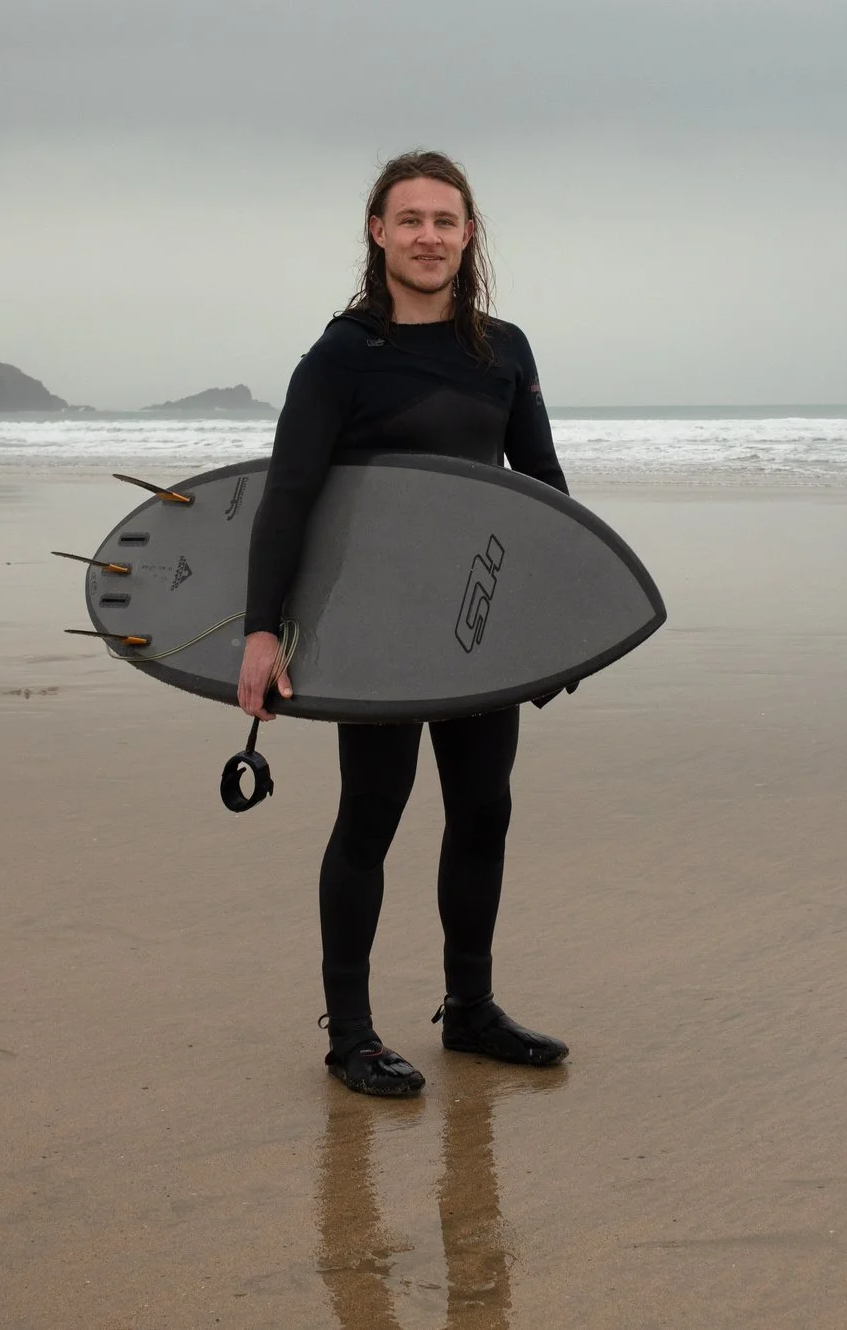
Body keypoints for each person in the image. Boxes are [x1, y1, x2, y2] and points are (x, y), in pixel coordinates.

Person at [238, 149, 573, 1098]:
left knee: (483, 812)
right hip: (375, 633)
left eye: (447, 220)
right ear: (378, 234)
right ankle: (351, 1035)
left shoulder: (503, 350)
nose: (430, 236)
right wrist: (263, 631)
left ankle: (469, 1011)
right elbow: (290, 499)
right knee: (371, 818)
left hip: (472, 628)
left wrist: (558, 624)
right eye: (411, 219)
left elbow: (541, 489)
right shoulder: (343, 355)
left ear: (469, 235)